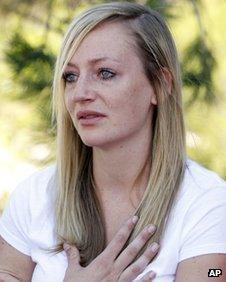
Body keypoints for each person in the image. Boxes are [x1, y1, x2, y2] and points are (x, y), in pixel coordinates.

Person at [0, 1, 226, 281]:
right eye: (70, 76)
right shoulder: (34, 198)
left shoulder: (206, 204)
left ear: (160, 85)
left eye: (105, 73)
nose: (80, 93)